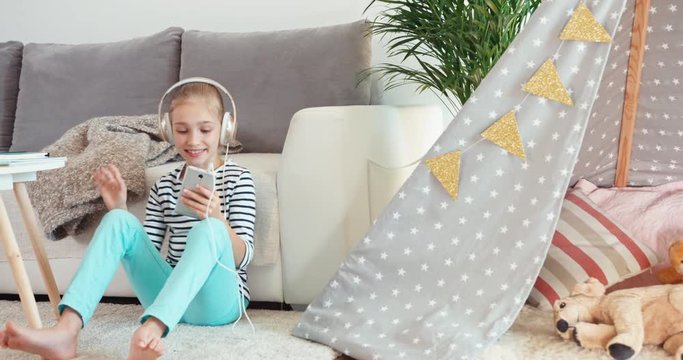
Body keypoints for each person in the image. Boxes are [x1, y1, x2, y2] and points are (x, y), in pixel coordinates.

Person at [0, 80, 256, 360]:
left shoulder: (238, 179)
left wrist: (217, 218)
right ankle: (66, 331)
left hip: (218, 303)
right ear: (169, 131)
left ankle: (152, 330)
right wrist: (118, 207)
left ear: (226, 128)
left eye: (205, 129)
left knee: (209, 230)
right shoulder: (165, 186)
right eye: (182, 131)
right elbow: (146, 250)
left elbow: (243, 259)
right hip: (171, 296)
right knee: (118, 220)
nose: (193, 140)